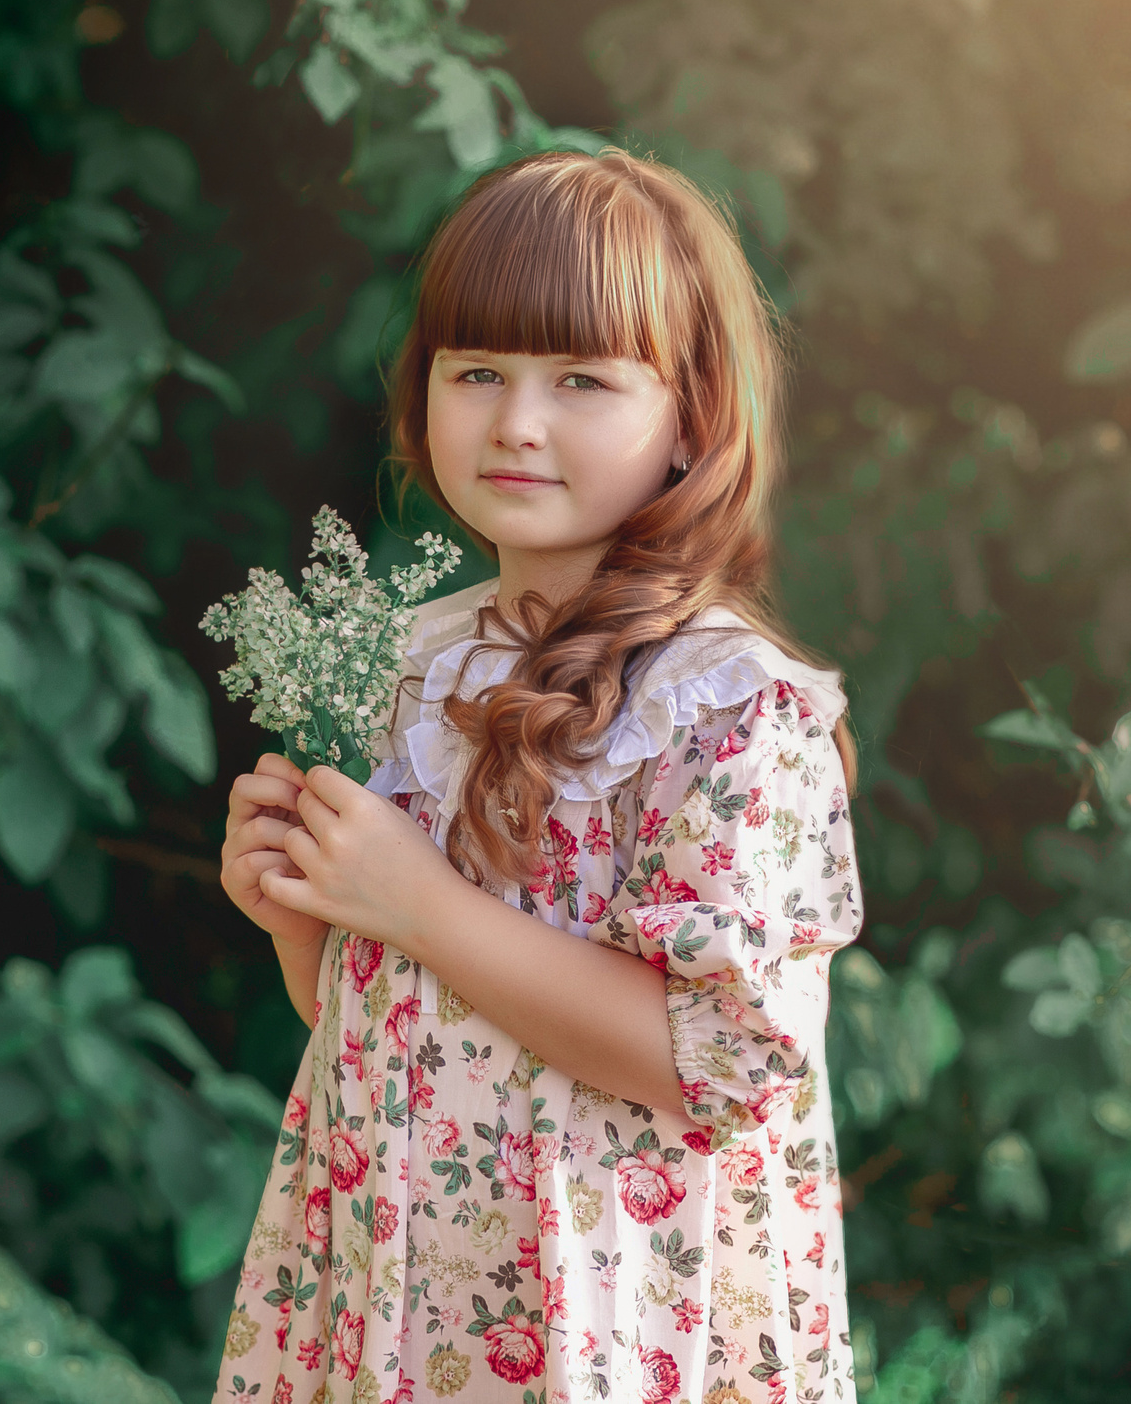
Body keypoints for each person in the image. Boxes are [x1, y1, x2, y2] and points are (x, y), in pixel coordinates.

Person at [216, 150, 861, 1402]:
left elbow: (721, 1061)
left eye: (580, 378)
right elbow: (419, 1045)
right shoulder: (418, 660)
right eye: (478, 373)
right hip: (403, 1293)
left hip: (609, 1316)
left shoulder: (727, 709)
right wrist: (313, 929)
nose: (516, 420)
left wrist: (420, 908)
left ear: (690, 417)